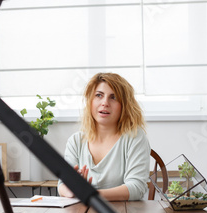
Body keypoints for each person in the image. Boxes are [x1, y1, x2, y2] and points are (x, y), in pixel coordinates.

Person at [58, 72, 150, 201]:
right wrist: (73, 189)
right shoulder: (76, 141)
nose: (105, 102)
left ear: (124, 105)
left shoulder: (135, 137)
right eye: (99, 95)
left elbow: (136, 187)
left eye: (113, 97)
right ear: (90, 101)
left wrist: (91, 194)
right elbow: (62, 185)